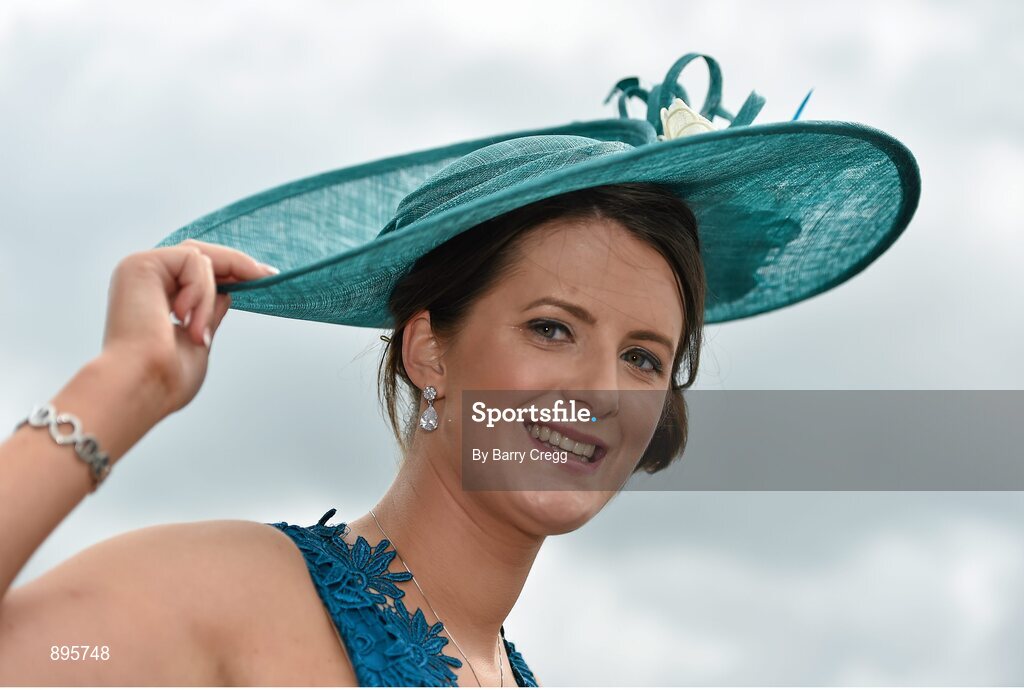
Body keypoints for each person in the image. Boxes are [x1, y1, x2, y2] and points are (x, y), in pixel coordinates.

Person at [0, 51, 919, 687]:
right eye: (554, 329)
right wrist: (123, 387)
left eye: (644, 357)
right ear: (428, 347)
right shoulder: (237, 595)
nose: (599, 389)